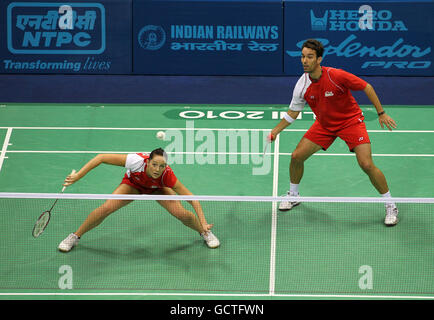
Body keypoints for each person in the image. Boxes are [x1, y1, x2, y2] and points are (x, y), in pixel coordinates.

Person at [269, 39, 399, 226]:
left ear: (319, 59)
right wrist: (275, 131)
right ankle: (294, 195)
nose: (305, 61)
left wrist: (381, 113)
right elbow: (293, 113)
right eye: (303, 57)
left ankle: (390, 205)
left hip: (350, 122)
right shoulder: (302, 84)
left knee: (366, 164)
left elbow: (366, 87)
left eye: (310, 57)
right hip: (324, 124)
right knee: (296, 156)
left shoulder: (336, 75)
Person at [58, 148, 220, 252]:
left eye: (161, 166)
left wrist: (203, 222)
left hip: (158, 189)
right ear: (148, 162)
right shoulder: (135, 161)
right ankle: (75, 236)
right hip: (133, 185)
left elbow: (192, 199)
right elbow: (101, 157)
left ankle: (205, 233)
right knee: (105, 208)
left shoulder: (167, 175)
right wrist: (78, 176)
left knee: (182, 214)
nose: (157, 169)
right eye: (154, 164)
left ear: (165, 166)